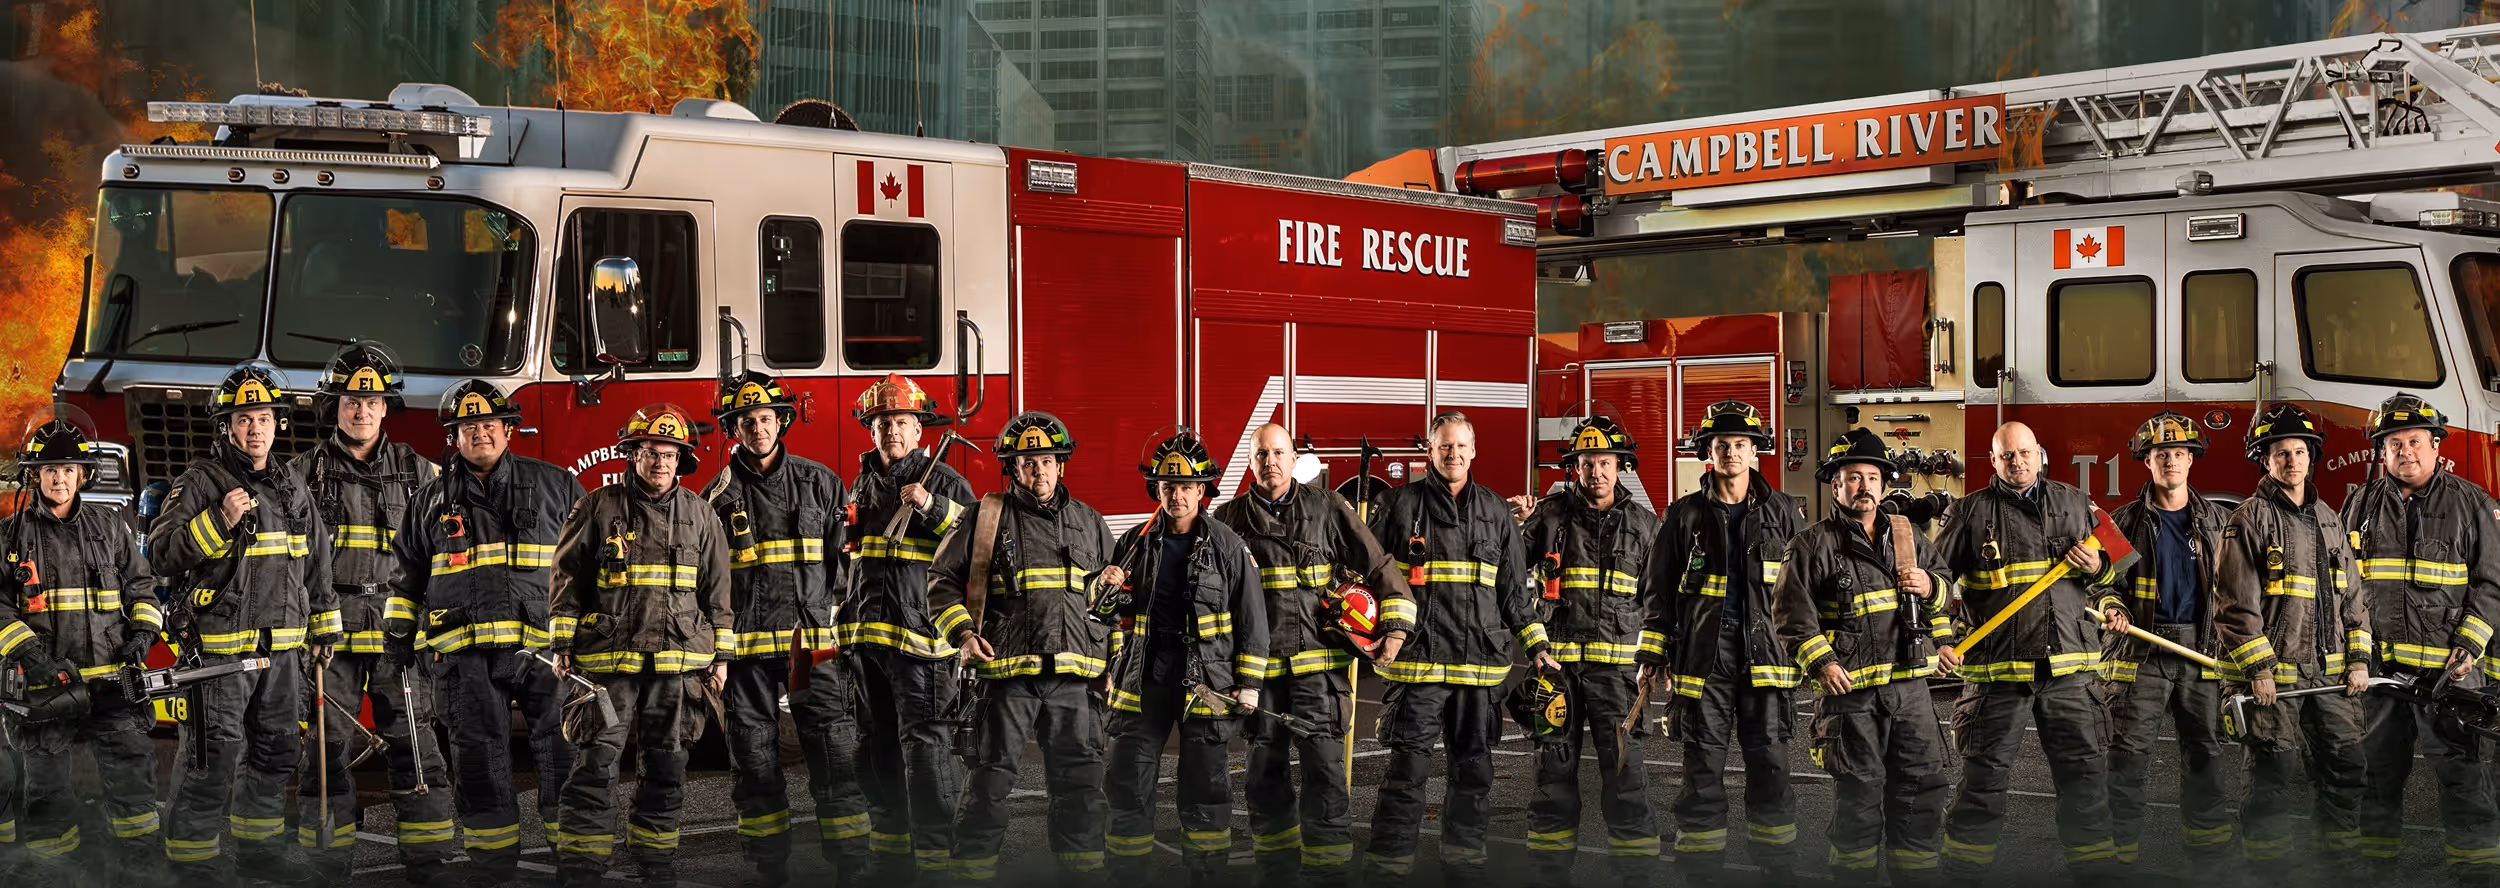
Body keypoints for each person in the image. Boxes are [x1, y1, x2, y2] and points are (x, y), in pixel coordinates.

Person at [148, 362, 338, 885]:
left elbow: (317, 560)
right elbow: (160, 553)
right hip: (221, 655)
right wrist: (219, 520)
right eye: (244, 419)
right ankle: (192, 862)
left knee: (276, 751)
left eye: (264, 418)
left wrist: (324, 628)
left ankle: (258, 853)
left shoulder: (292, 485)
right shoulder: (200, 481)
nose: (256, 428)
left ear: (278, 423)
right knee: (213, 756)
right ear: (227, 426)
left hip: (282, 652)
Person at [392, 378, 584, 886]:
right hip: (465, 659)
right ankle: (492, 869)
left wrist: (587, 636)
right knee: (478, 764)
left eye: (489, 423)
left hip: (544, 653)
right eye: (468, 426)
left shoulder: (556, 486)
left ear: (508, 429)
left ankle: (579, 863)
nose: (480, 432)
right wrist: (399, 635)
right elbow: (407, 577)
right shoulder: (429, 502)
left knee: (564, 754)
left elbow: (588, 567)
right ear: (453, 437)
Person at [1362, 411, 1556, 886]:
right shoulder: (1398, 505)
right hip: (1418, 668)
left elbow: (1514, 594)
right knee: (1406, 773)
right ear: (1430, 451)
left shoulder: (1496, 512)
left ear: (1473, 451)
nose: (1452, 454)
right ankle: (1388, 867)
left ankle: (1464, 863)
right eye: (1444, 445)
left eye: (1460, 445)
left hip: (1478, 670)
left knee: (1474, 774)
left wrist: (1537, 647)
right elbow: (1369, 579)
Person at [1212, 423, 1407, 888]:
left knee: (1325, 771)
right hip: (1260, 677)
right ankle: (1275, 871)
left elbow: (1378, 564)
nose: (1271, 463)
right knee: (1263, 773)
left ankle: (1329, 872)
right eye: (1262, 455)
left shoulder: (1327, 507)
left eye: (1279, 453)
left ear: (1294, 458)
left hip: (1319, 674)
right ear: (1251, 462)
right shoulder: (1228, 520)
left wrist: (1396, 627)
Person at [548, 403, 735, 888]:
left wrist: (722, 658)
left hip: (679, 664)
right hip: (608, 662)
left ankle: (656, 861)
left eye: (669, 455)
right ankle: (582, 866)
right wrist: (562, 644)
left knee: (668, 765)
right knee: (595, 762)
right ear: (633, 454)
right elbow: (568, 578)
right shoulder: (597, 506)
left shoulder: (701, 513)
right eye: (651, 452)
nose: (660, 463)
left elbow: (718, 593)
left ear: (681, 460)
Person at [284, 341, 450, 882]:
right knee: (325, 751)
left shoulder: (420, 472)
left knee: (414, 743)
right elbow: (285, 562)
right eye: (352, 401)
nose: (361, 410)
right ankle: (327, 862)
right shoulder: (299, 475)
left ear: (385, 408)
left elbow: (445, 552)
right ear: (334, 406)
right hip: (328, 635)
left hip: (397, 632)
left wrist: (433, 623)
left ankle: (428, 860)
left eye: (372, 401)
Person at [1932, 421, 2122, 888]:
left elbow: (2118, 566)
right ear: (1993, 461)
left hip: (2069, 671)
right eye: (2006, 455)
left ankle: (2095, 874)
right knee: (1983, 782)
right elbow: (1934, 582)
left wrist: (2098, 566)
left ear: (2039, 453)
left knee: (2084, 781)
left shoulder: (2077, 503)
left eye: (2024, 453)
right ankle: (1963, 875)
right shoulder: (1968, 512)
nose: (2016, 462)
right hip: (1998, 673)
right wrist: (1940, 639)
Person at [933, 412, 1117, 885]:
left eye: (1047, 460)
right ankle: (970, 875)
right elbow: (941, 582)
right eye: (1028, 462)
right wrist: (963, 635)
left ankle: (1082, 876)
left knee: (1081, 784)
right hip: (1007, 677)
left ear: (1061, 464)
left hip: (1074, 680)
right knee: (990, 782)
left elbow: (1111, 604)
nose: (1039, 469)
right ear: (1012, 468)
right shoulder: (984, 517)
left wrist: (1113, 664)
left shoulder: (1089, 522)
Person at [1771, 427, 1952, 886]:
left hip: (1909, 692)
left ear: (1884, 484)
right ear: (1835, 486)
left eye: (1872, 477)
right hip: (1851, 697)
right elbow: (1792, 616)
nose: (1864, 486)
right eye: (1853, 478)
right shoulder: (1810, 545)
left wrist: (1931, 588)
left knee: (1921, 792)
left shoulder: (1907, 535)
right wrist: (1822, 663)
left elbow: (1943, 594)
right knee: (1860, 799)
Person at [702, 370, 858, 886]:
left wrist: (836, 626)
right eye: (747, 421)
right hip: (746, 654)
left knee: (834, 752)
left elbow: (845, 565)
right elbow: (707, 581)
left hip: (811, 647)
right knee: (753, 759)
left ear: (781, 422)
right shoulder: (715, 497)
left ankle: (850, 864)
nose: (758, 428)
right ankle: (768, 867)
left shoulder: (820, 482)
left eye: (766, 418)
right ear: (734, 429)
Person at [1097, 427, 1268, 887]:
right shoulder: (1133, 543)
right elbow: (1108, 615)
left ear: (1202, 489)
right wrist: (1102, 591)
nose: (1177, 496)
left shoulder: (1228, 546)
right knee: (1127, 782)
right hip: (1143, 681)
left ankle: (1206, 876)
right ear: (1157, 489)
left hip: (1207, 682)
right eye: (1168, 486)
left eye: (1187, 486)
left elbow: (1252, 619)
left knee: (1205, 789)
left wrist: (1249, 684)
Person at [1646, 399, 1805, 884]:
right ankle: (1700, 872)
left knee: (1771, 767)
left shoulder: (1784, 513)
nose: (1732, 452)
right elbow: (1658, 589)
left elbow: (1804, 589)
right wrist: (1653, 653)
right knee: (1701, 770)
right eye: (1722, 445)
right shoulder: (1683, 515)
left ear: (1755, 450)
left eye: (1741, 444)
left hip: (1767, 658)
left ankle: (1776, 869)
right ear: (1707, 452)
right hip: (1704, 659)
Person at [0, 404, 161, 883]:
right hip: (46, 690)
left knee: (133, 789)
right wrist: (31, 658)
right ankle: (54, 877)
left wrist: (142, 635)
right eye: (50, 469)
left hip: (112, 685)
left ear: (83, 474)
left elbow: (142, 587)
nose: (59, 479)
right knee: (47, 795)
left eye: (68, 469)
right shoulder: (12, 537)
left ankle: (141, 875)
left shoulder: (109, 526)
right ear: (35, 475)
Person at [2344, 392, 2500, 880]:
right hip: (2382, 675)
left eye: (2414, 441)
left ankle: (2475, 872)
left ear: (2435, 445)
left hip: (2448, 676)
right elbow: (2344, 585)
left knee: (2461, 771)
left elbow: (2492, 582)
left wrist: (2469, 645)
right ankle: (2376, 866)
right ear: (2382, 450)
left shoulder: (2472, 503)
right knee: (2377, 772)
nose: (2405, 451)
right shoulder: (2360, 504)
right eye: (2394, 443)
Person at [2216, 403, 2369, 877]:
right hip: (2275, 677)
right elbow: (2235, 605)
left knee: (2346, 764)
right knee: (2272, 771)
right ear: (2264, 460)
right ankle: (2269, 871)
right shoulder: (2248, 520)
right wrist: (2258, 670)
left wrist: (2358, 660)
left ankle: (2339, 865)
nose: (2292, 461)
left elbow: (2352, 597)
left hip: (2331, 674)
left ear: (2311, 456)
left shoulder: (2329, 518)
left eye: (2300, 451)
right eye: (2281, 453)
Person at [837, 373, 976, 881]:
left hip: (922, 645)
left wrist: (931, 506)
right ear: (870, 430)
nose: (891, 430)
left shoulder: (945, 481)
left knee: (926, 752)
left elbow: (975, 543)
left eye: (901, 421)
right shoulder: (862, 482)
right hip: (868, 643)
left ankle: (936, 861)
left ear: (919, 429)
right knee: (875, 747)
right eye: (882, 423)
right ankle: (890, 856)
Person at [1518, 414, 1662, 887]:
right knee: (1551, 778)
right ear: (1574, 466)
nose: (1595, 471)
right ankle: (1548, 876)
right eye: (1586, 462)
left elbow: (1660, 600)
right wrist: (1514, 524)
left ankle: (1635, 878)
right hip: (1554, 673)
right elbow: (1508, 574)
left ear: (1621, 465)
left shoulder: (1644, 525)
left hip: (1617, 679)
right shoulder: (1548, 516)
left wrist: (1656, 659)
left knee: (1626, 780)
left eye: (1604, 462)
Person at [2100, 412, 2234, 872]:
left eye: (2179, 453)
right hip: (2141, 652)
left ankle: (2209, 855)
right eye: (2161, 454)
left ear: (2192, 460)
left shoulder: (2218, 523)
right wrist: (2111, 606)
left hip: (2200, 652)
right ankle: (2121, 857)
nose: (2171, 461)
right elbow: (2101, 582)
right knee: (2127, 757)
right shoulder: (2121, 523)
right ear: (2147, 461)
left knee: (2206, 755)